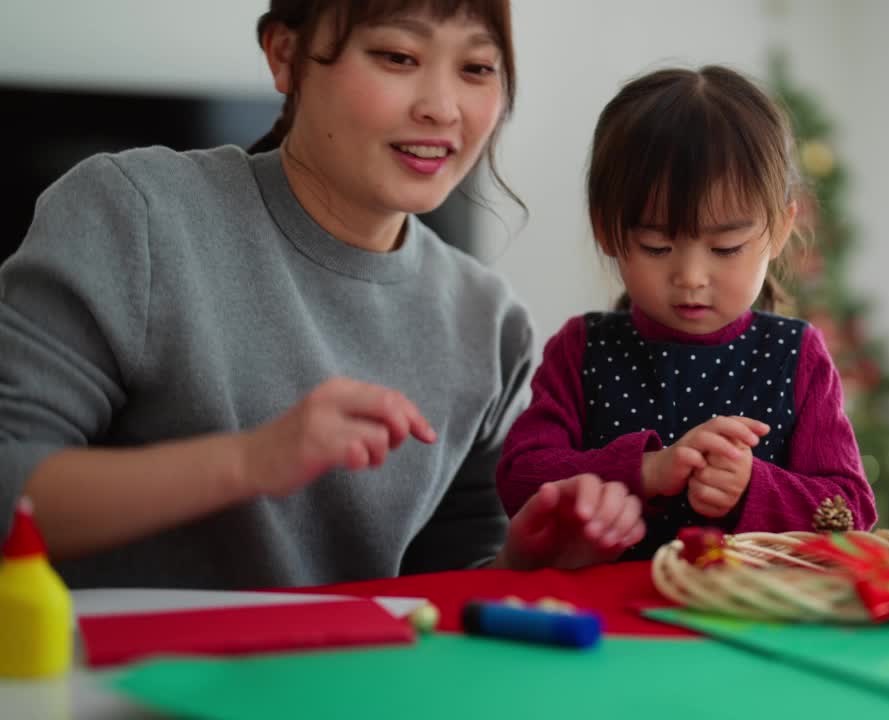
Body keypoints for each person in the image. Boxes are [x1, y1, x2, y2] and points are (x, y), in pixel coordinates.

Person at [0, 0, 642, 589]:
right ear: (286, 55)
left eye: (476, 67)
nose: (442, 108)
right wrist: (253, 462)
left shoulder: (490, 322)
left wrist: (522, 561)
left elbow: (445, 581)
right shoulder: (133, 216)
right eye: (398, 57)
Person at [496, 66, 878, 559]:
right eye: (657, 247)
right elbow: (520, 480)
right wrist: (645, 470)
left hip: (750, 618)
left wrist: (752, 487)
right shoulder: (583, 350)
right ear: (606, 230)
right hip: (605, 621)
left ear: (781, 230)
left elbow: (851, 513)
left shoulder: (796, 355)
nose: (691, 276)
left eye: (726, 248)